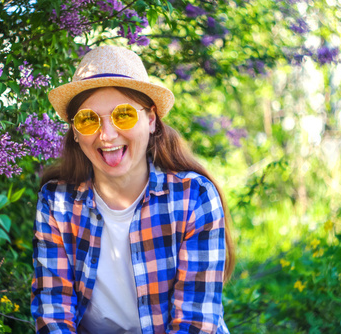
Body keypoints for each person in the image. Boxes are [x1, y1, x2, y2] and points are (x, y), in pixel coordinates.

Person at [31, 45, 235, 334]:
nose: (107, 134)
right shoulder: (56, 203)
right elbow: (53, 315)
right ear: (75, 132)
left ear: (151, 120)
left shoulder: (194, 198)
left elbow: (194, 324)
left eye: (123, 115)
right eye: (88, 120)